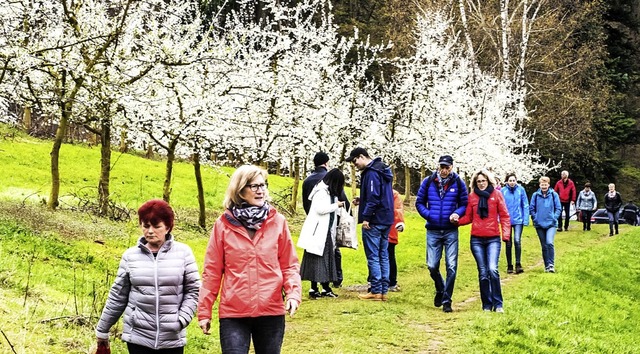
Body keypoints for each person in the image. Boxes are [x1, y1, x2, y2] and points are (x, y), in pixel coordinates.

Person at [197, 165, 302, 353]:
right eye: (254, 186)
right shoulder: (222, 225)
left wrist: (293, 294)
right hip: (234, 314)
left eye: (263, 185)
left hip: (271, 311)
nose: (260, 190)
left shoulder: (278, 222)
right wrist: (204, 311)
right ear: (240, 190)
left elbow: (289, 265)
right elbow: (212, 271)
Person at [95, 199, 201, 354]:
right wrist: (102, 331)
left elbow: (194, 291)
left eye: (156, 226)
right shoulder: (130, 256)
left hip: (172, 339)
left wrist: (181, 320)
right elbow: (117, 296)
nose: (150, 231)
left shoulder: (183, 253)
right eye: (145, 226)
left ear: (168, 227)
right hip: (138, 336)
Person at [415, 155, 468, 313]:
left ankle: (447, 300)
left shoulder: (458, 183)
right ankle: (440, 288)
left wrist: (457, 213)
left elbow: (464, 203)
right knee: (432, 265)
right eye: (442, 167)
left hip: (450, 229)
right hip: (433, 229)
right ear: (438, 166)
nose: (444, 170)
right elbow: (419, 202)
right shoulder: (428, 181)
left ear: (451, 167)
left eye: (447, 167)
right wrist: (429, 215)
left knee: (451, 266)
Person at [457, 169, 510, 313]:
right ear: (475, 183)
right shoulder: (472, 197)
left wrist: (506, 234)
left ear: (488, 181)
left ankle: (498, 304)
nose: (481, 184)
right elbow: (468, 217)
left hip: (493, 238)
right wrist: (455, 221)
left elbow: (504, 215)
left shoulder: (497, 195)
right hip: (477, 239)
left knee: (493, 269)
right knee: (483, 272)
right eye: (478, 181)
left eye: (483, 181)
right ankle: (486, 304)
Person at [346, 147, 394, 301]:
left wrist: (366, 217)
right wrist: (362, 199)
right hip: (386, 217)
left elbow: (374, 197)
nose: (355, 165)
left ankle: (376, 290)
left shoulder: (372, 172)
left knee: (373, 255)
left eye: (355, 161)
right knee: (383, 254)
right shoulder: (383, 170)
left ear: (361, 157)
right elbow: (379, 195)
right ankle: (383, 290)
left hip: (375, 220)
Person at [301, 152, 350, 288]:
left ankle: (317, 286)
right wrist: (340, 208)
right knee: (329, 255)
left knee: (315, 256)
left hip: (315, 225)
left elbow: (307, 204)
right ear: (326, 162)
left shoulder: (307, 180)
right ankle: (334, 280)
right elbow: (324, 207)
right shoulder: (327, 186)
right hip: (324, 225)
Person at [530, 176, 561, 273]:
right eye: (542, 184)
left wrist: (554, 218)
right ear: (539, 185)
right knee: (544, 245)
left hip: (551, 224)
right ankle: (546, 265)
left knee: (549, 242)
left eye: (545, 184)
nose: (544, 186)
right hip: (539, 224)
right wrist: (535, 218)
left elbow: (558, 208)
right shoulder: (535, 195)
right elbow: (532, 208)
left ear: (548, 185)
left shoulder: (554, 195)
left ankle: (551, 264)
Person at [501, 173, 529, 274]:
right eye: (510, 180)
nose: (512, 182)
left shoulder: (521, 190)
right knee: (508, 243)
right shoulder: (503, 191)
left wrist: (525, 219)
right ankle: (509, 265)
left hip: (518, 220)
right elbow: (500, 205)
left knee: (517, 240)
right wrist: (499, 218)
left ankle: (518, 263)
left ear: (516, 181)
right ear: (507, 181)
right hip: (507, 220)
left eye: (514, 180)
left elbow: (525, 204)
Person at [388, 188, 405, 292]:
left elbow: (398, 211)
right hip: (385, 230)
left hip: (390, 230)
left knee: (389, 255)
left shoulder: (394, 194)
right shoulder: (393, 194)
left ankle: (392, 281)